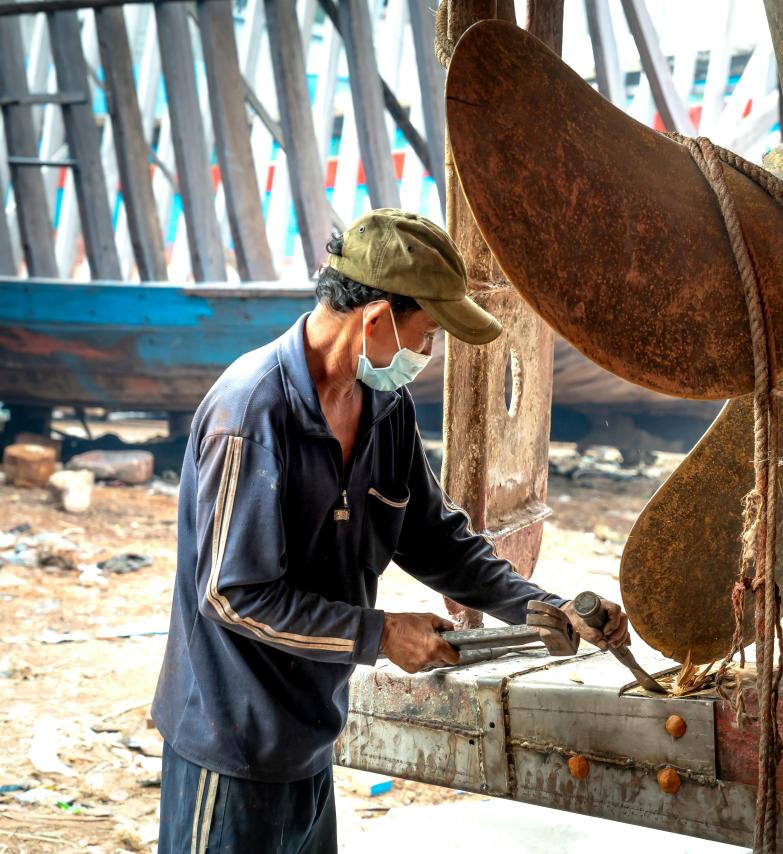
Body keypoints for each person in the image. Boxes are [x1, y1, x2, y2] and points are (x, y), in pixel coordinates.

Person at [151, 209, 629, 852]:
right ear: (375, 319)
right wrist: (380, 634)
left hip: (310, 732)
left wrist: (545, 607)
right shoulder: (251, 414)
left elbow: (436, 539)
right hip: (230, 742)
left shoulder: (384, 405)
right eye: (427, 335)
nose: (426, 355)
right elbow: (233, 594)